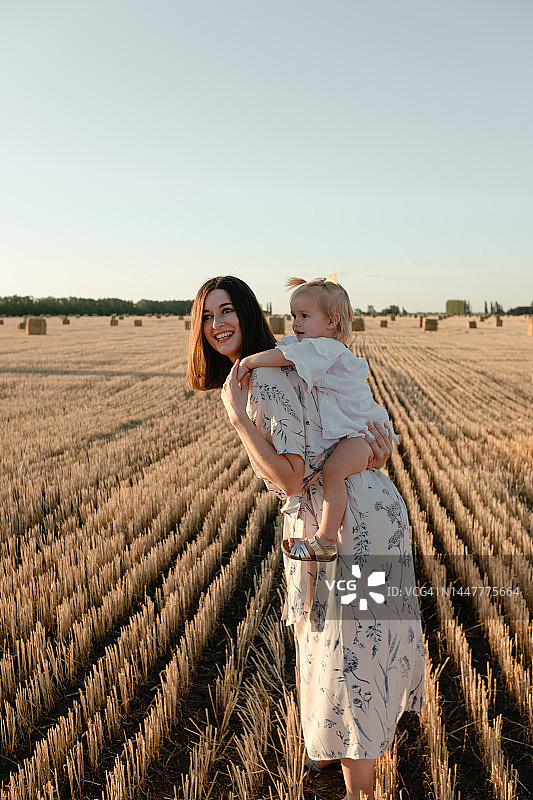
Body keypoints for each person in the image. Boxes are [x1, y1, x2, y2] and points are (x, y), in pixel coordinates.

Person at [187, 275, 425, 800]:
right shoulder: (284, 361)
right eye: (206, 316)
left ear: (248, 313)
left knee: (348, 661)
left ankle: (360, 790)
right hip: (360, 509)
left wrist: (239, 420)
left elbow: (292, 477)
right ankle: (341, 754)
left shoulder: (266, 378)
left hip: (349, 526)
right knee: (346, 650)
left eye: (226, 311)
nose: (216, 324)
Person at [235, 275, 399, 563]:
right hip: (355, 433)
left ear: (332, 321)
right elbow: (282, 350)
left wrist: (248, 362)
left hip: (363, 433)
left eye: (304, 316)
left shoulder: (325, 348)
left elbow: (284, 357)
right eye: (293, 315)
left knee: (333, 471)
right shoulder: (308, 345)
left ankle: (325, 539)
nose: (295, 323)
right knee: (334, 471)